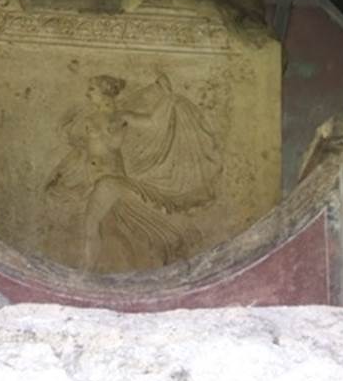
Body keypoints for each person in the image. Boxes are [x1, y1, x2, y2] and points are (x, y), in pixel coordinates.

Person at [45, 72, 220, 271]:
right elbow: (85, 151)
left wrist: (167, 98)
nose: (87, 94)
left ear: (105, 92)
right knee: (115, 227)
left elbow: (152, 121)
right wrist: (65, 175)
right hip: (99, 179)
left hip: (109, 180)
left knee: (91, 223)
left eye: (92, 89)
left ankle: (85, 272)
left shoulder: (122, 116)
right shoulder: (90, 118)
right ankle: (114, 268)